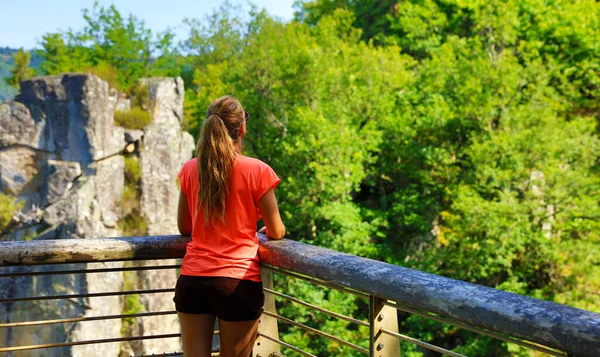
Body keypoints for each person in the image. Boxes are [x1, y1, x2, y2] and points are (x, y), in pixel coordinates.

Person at [174, 95, 286, 357]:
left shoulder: (190, 169)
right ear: (242, 128)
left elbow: (184, 227)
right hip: (236, 281)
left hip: (193, 279)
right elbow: (277, 231)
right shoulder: (258, 170)